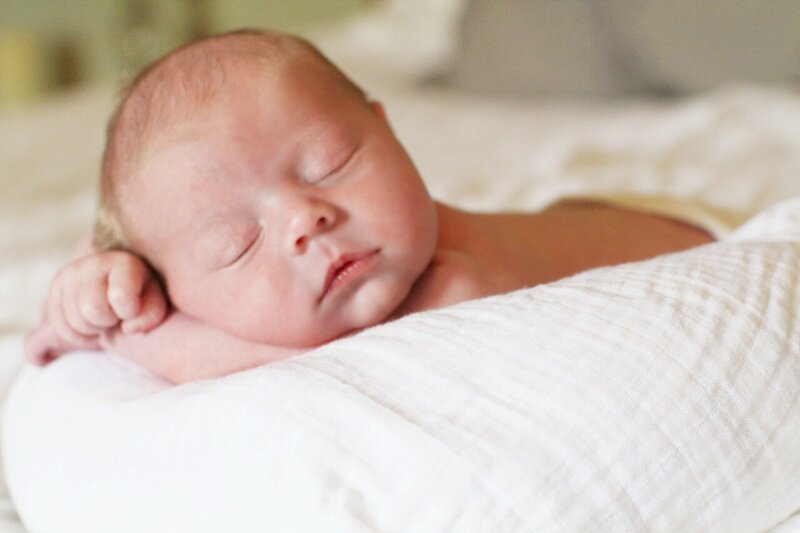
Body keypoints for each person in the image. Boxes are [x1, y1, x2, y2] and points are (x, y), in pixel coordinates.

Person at [24, 29, 718, 384]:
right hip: (578, 212)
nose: (305, 218)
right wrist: (107, 275)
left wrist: (129, 332)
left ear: (387, 129)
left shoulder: (454, 282)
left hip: (686, 231)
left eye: (331, 164)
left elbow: (259, 364)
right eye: (237, 243)